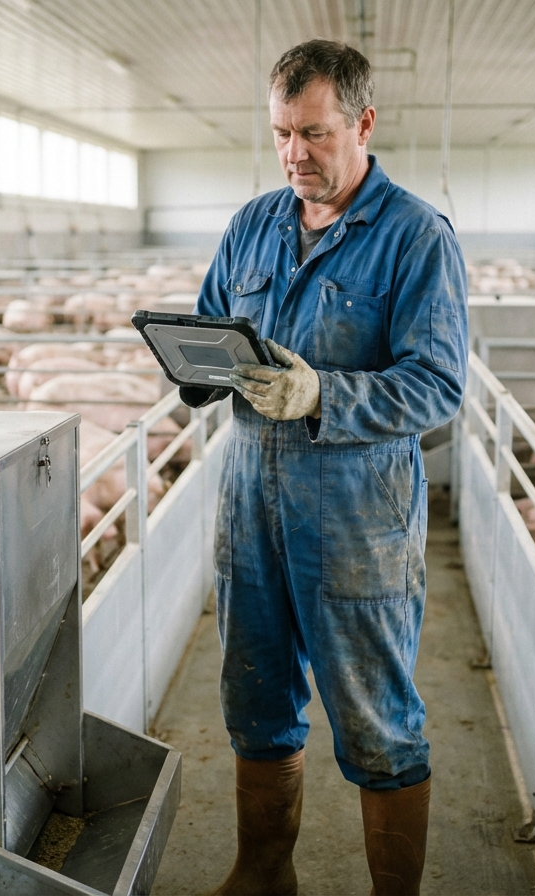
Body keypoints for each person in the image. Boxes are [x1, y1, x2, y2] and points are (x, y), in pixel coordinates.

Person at [179, 39, 469, 896]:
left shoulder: (416, 237)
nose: (295, 154)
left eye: (313, 133)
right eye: (280, 134)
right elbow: (208, 326)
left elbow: (438, 384)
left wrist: (322, 395)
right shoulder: (252, 224)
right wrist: (193, 369)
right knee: (256, 699)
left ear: (363, 123)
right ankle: (264, 873)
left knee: (377, 717)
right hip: (251, 507)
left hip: (356, 519)